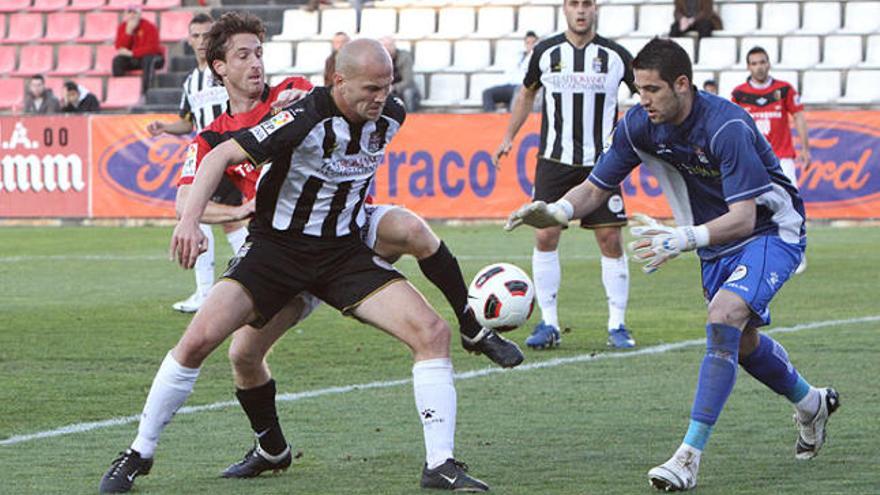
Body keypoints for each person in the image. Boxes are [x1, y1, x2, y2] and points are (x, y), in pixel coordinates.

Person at [98, 19, 491, 493]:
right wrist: (190, 221)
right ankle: (145, 452)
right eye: (241, 55)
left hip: (343, 247)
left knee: (429, 321)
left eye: (258, 52)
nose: (255, 63)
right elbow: (210, 166)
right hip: (275, 251)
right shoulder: (261, 124)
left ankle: (441, 461)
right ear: (218, 68)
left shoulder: (322, 101)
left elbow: (322, 96)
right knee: (216, 346)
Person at [506, 38, 839, 492]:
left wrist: (682, 238)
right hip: (713, 243)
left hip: (769, 231)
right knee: (741, 343)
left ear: (682, 85)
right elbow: (597, 186)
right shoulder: (640, 124)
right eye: (638, 90)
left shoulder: (726, 128)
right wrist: (559, 210)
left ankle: (688, 457)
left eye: (652, 90)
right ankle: (811, 403)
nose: (642, 100)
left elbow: (743, 218)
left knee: (722, 318)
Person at [493, 0, 638, 350]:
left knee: (610, 240)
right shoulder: (545, 51)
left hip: (602, 161)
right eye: (574, 4)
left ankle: (617, 325)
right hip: (554, 160)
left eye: (586, 3)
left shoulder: (616, 55)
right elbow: (526, 92)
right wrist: (509, 135)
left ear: (596, 8)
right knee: (545, 236)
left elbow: (645, 94)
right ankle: (549, 323)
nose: (581, 10)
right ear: (564, 9)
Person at [146, 13, 249, 313]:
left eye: (207, 36)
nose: (202, 41)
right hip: (207, 156)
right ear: (189, 40)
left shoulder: (227, 71)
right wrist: (165, 128)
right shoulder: (192, 81)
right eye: (197, 36)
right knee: (224, 219)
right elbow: (187, 122)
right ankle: (236, 286)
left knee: (202, 214)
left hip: (233, 153)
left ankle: (212, 291)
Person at [731, 46, 811, 274]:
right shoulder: (739, 94)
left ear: (769, 63)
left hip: (782, 158)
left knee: (791, 206)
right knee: (752, 207)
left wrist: (805, 148)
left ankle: (797, 253)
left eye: (762, 62)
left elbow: (798, 116)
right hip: (753, 161)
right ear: (748, 66)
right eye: (754, 63)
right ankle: (754, 254)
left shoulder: (784, 89)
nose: (759, 66)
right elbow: (733, 126)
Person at [112, 4, 164, 94]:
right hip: (135, 59)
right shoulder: (123, 27)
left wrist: (132, 53)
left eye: (134, 13)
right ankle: (121, 90)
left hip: (154, 58)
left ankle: (147, 92)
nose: (132, 15)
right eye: (129, 13)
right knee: (117, 61)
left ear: (139, 15)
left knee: (148, 59)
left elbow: (153, 48)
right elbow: (120, 48)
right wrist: (128, 32)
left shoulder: (149, 26)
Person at [482, 31, 538, 113]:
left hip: (520, 87)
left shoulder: (537, 58)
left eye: (533, 42)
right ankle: (491, 117)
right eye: (528, 43)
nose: (530, 45)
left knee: (515, 99)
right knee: (487, 93)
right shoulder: (517, 56)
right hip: (508, 85)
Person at [380, 36, 420, 112]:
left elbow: (408, 80)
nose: (387, 48)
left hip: (401, 88)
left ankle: (411, 116)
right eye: (384, 46)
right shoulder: (377, 59)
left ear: (394, 46)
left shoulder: (404, 56)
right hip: (385, 88)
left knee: (408, 92)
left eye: (390, 45)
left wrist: (393, 88)